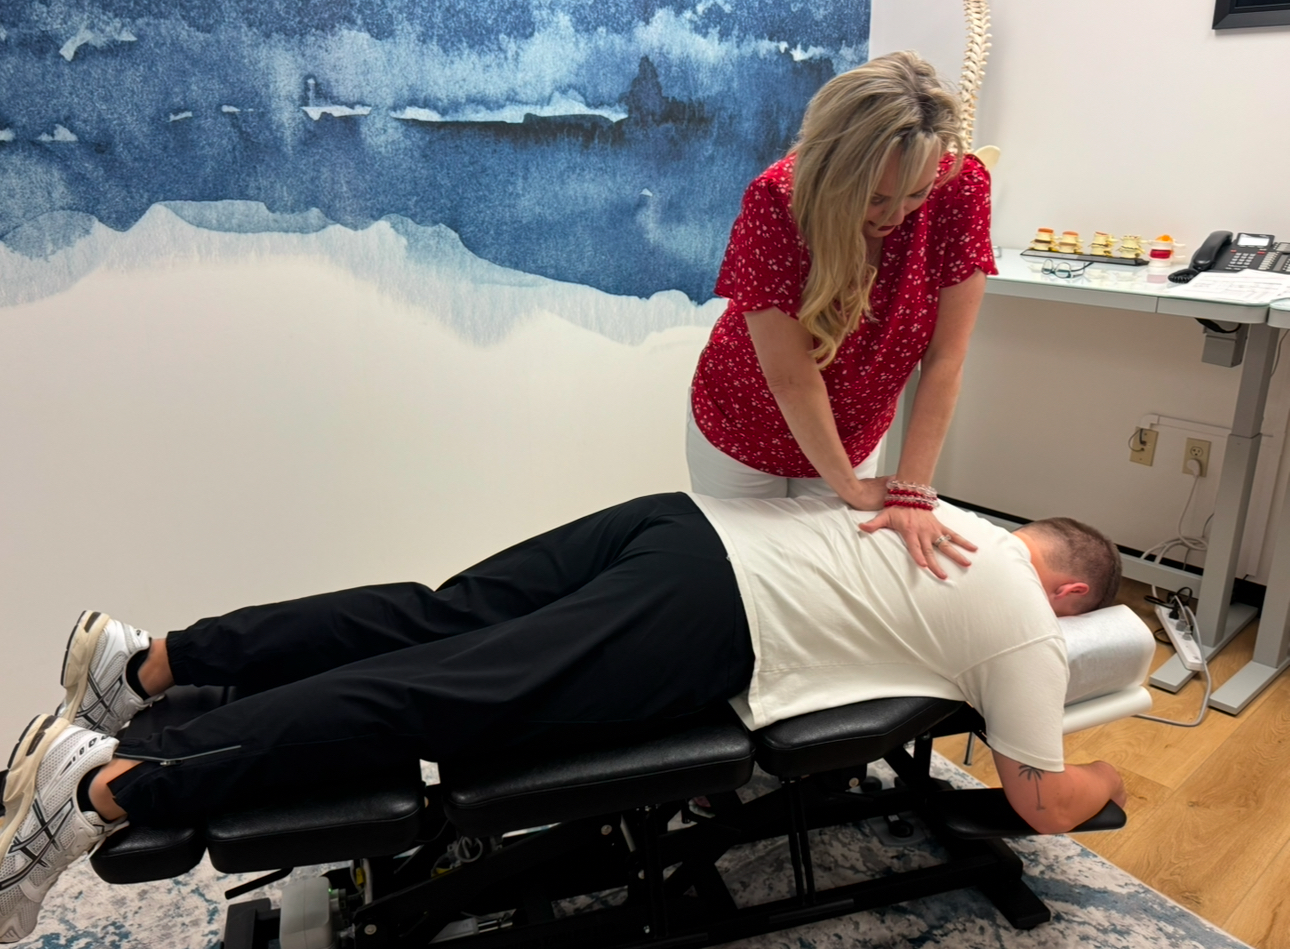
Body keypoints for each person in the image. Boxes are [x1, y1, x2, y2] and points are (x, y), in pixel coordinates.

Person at [0, 492, 1126, 943]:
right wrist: (1109, 783)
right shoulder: (1027, 619)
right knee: (442, 694)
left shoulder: (946, 507)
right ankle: (111, 783)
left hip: (678, 526)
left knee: (431, 618)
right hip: (712, 617)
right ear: (1072, 593)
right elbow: (1040, 797)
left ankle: (146, 664)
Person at [688, 51, 997, 578]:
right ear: (833, 171)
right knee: (749, 581)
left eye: (915, 194)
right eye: (875, 198)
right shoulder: (778, 199)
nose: (897, 215)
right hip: (745, 423)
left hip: (853, 431)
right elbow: (790, 377)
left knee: (829, 580)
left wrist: (912, 491)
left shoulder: (960, 187)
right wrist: (850, 488)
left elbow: (946, 358)